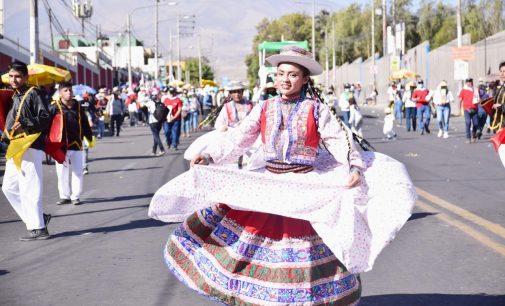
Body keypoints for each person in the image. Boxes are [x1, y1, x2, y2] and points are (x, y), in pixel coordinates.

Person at [149, 46, 416, 305]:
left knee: (303, 256)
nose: (285, 80)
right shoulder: (264, 108)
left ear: (304, 79)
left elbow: (339, 142)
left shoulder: (316, 110)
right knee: (257, 249)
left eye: (292, 75)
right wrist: (210, 156)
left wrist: (354, 166)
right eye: (280, 74)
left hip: (304, 189)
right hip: (270, 185)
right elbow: (239, 139)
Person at [1, 60, 52, 241]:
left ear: (25, 77)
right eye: (11, 76)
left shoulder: (33, 93)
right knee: (9, 187)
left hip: (30, 145)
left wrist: (26, 124)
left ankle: (39, 228)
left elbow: (45, 118)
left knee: (29, 188)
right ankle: (39, 218)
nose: (14, 79)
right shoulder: (14, 95)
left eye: (18, 76)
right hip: (15, 147)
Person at [48, 82, 93, 205]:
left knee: (78, 171)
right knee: (62, 172)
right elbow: (47, 126)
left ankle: (75, 196)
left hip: (77, 144)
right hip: (60, 146)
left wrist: (89, 137)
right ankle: (64, 196)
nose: (69, 93)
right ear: (60, 93)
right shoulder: (53, 107)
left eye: (70, 90)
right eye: (66, 91)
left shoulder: (78, 107)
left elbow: (84, 123)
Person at [459, 78, 480, 143]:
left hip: (475, 109)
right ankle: (468, 138)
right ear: (466, 83)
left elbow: (480, 98)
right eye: (468, 81)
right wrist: (459, 110)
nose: (469, 83)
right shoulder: (463, 90)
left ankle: (474, 136)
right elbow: (460, 100)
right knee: (468, 123)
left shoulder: (476, 89)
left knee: (476, 124)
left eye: (470, 81)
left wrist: (479, 100)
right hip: (467, 109)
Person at [162, 86, 183, 150]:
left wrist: (173, 118)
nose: (171, 93)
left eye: (173, 92)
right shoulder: (166, 99)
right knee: (166, 132)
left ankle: (174, 145)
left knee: (175, 132)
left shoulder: (178, 100)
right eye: (170, 92)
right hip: (166, 119)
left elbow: (179, 110)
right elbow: (163, 109)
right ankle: (168, 142)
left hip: (176, 119)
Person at [492, 61, 505, 130]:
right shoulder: (501, 87)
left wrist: (500, 106)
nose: (502, 74)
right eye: (501, 71)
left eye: (504, 71)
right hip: (501, 125)